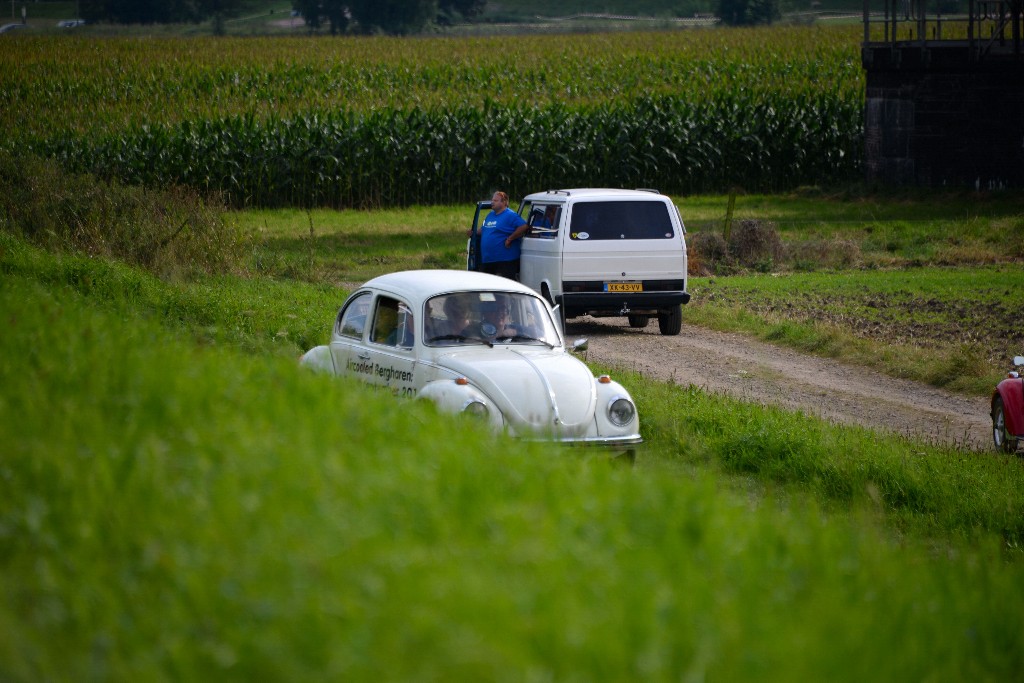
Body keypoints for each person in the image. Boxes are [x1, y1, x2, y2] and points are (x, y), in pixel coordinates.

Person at [468, 191, 530, 280]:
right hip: (488, 259)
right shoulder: (490, 215)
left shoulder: (510, 215)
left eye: (495, 200)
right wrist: (474, 232)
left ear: (504, 202)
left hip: (505, 260)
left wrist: (510, 239)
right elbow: (484, 230)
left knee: (505, 287)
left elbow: (524, 226)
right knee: (486, 287)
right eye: (492, 200)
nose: (492, 202)